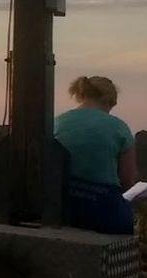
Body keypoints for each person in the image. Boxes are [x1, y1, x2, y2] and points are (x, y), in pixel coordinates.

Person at [55, 75, 140, 235]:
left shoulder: (58, 122)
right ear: (108, 100)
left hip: (61, 203)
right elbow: (127, 178)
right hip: (101, 207)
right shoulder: (119, 127)